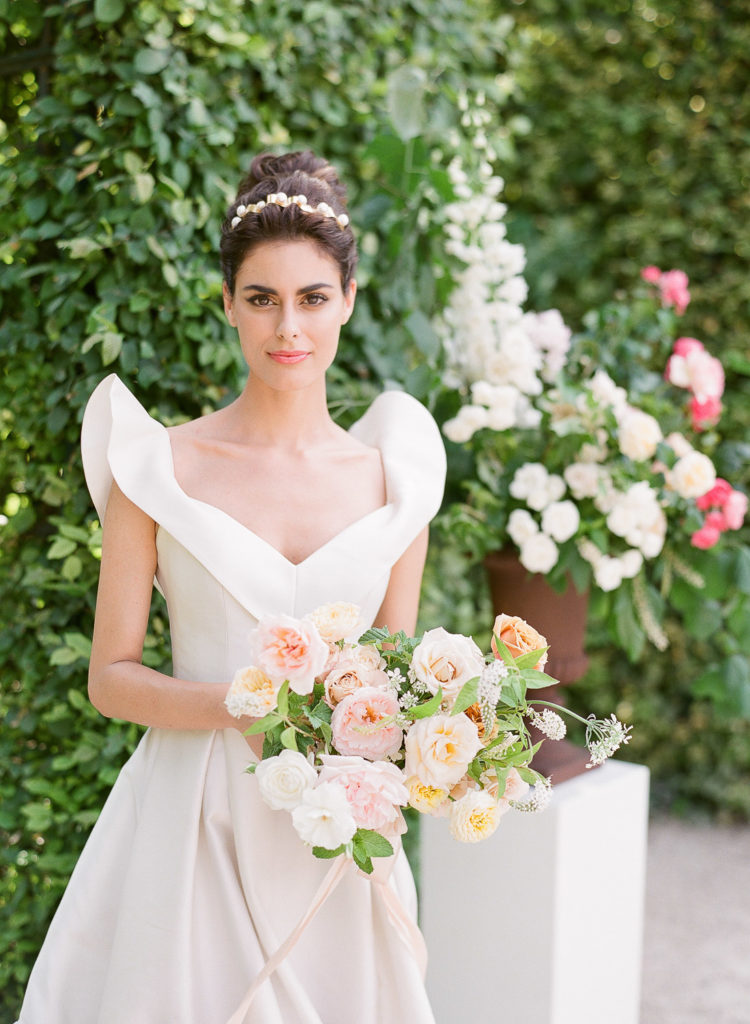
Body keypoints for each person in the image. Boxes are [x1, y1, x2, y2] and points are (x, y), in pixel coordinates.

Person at [16, 151, 446, 1023]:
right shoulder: (158, 467)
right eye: (262, 298)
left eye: (313, 298)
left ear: (348, 301)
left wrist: (449, 731)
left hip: (334, 833)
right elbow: (112, 677)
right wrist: (244, 709)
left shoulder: (396, 480)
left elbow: (394, 680)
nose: (289, 327)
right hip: (190, 825)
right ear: (228, 305)